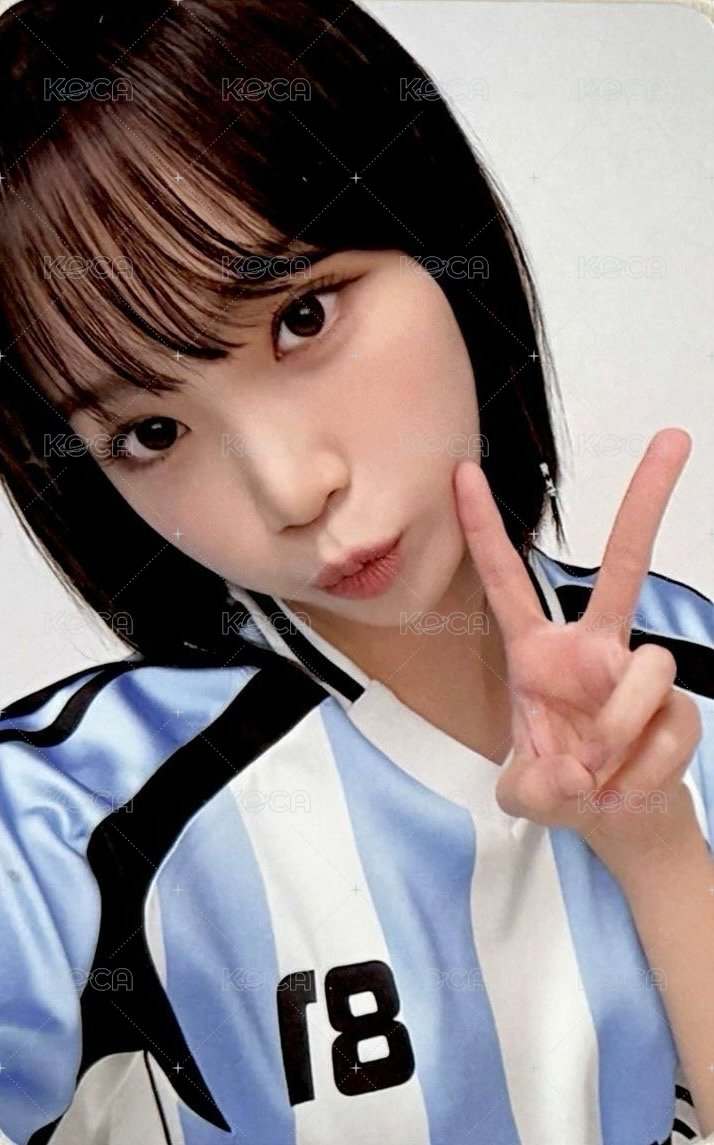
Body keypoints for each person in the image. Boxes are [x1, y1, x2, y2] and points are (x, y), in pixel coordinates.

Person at [0, 1, 711, 1142]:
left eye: (302, 316)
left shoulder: (694, 678)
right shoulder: (73, 822)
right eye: (150, 431)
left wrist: (658, 848)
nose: (291, 489)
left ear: (439, 238)